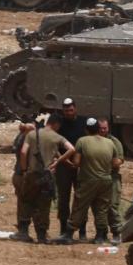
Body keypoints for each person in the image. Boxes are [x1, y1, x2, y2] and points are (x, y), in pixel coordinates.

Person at [55, 117, 123, 244]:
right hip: (106, 181)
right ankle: (100, 236)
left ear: (86, 130)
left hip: (88, 180)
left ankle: (69, 233)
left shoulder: (82, 141)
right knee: (102, 208)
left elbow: (76, 162)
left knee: (79, 206)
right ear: (98, 129)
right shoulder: (110, 143)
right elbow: (115, 163)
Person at [15, 115, 74, 243]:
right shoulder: (57, 137)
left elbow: (24, 152)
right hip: (47, 176)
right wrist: (58, 162)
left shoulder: (32, 134)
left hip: (31, 174)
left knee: (26, 201)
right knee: (44, 205)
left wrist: (25, 170)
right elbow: (71, 149)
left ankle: (23, 232)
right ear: (57, 124)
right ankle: (41, 235)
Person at [54, 97, 88, 238]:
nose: (68, 112)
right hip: (63, 166)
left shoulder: (83, 122)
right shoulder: (59, 124)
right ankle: (63, 229)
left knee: (81, 199)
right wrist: (63, 160)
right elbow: (54, 144)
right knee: (63, 198)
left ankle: (82, 230)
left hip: (80, 167)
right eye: (66, 110)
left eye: (71, 110)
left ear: (75, 109)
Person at [103, 119, 126, 243]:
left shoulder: (114, 142)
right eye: (100, 128)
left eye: (104, 128)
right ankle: (101, 233)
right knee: (99, 207)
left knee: (112, 206)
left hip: (112, 177)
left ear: (108, 128)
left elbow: (119, 161)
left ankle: (117, 232)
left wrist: (104, 163)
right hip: (97, 177)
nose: (102, 131)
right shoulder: (93, 140)